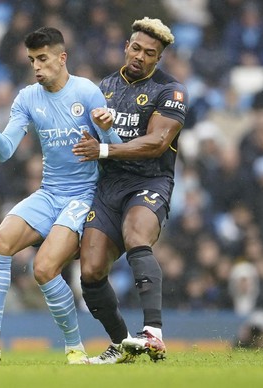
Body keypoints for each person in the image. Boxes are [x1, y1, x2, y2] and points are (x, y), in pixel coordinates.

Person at [0, 27, 120, 365]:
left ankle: (74, 348)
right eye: (32, 60)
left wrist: (107, 128)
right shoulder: (28, 97)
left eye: (43, 59)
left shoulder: (87, 92)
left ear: (62, 58)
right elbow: (3, 152)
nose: (36, 67)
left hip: (84, 195)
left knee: (44, 269)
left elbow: (116, 149)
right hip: (49, 193)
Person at [72, 17, 188, 364]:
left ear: (158, 58)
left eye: (149, 53)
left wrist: (104, 149)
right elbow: (84, 134)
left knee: (137, 234)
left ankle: (153, 332)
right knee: (90, 271)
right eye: (135, 48)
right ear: (126, 46)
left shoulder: (171, 91)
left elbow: (157, 142)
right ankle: (122, 344)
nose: (139, 56)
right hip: (109, 187)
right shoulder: (104, 85)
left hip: (149, 182)